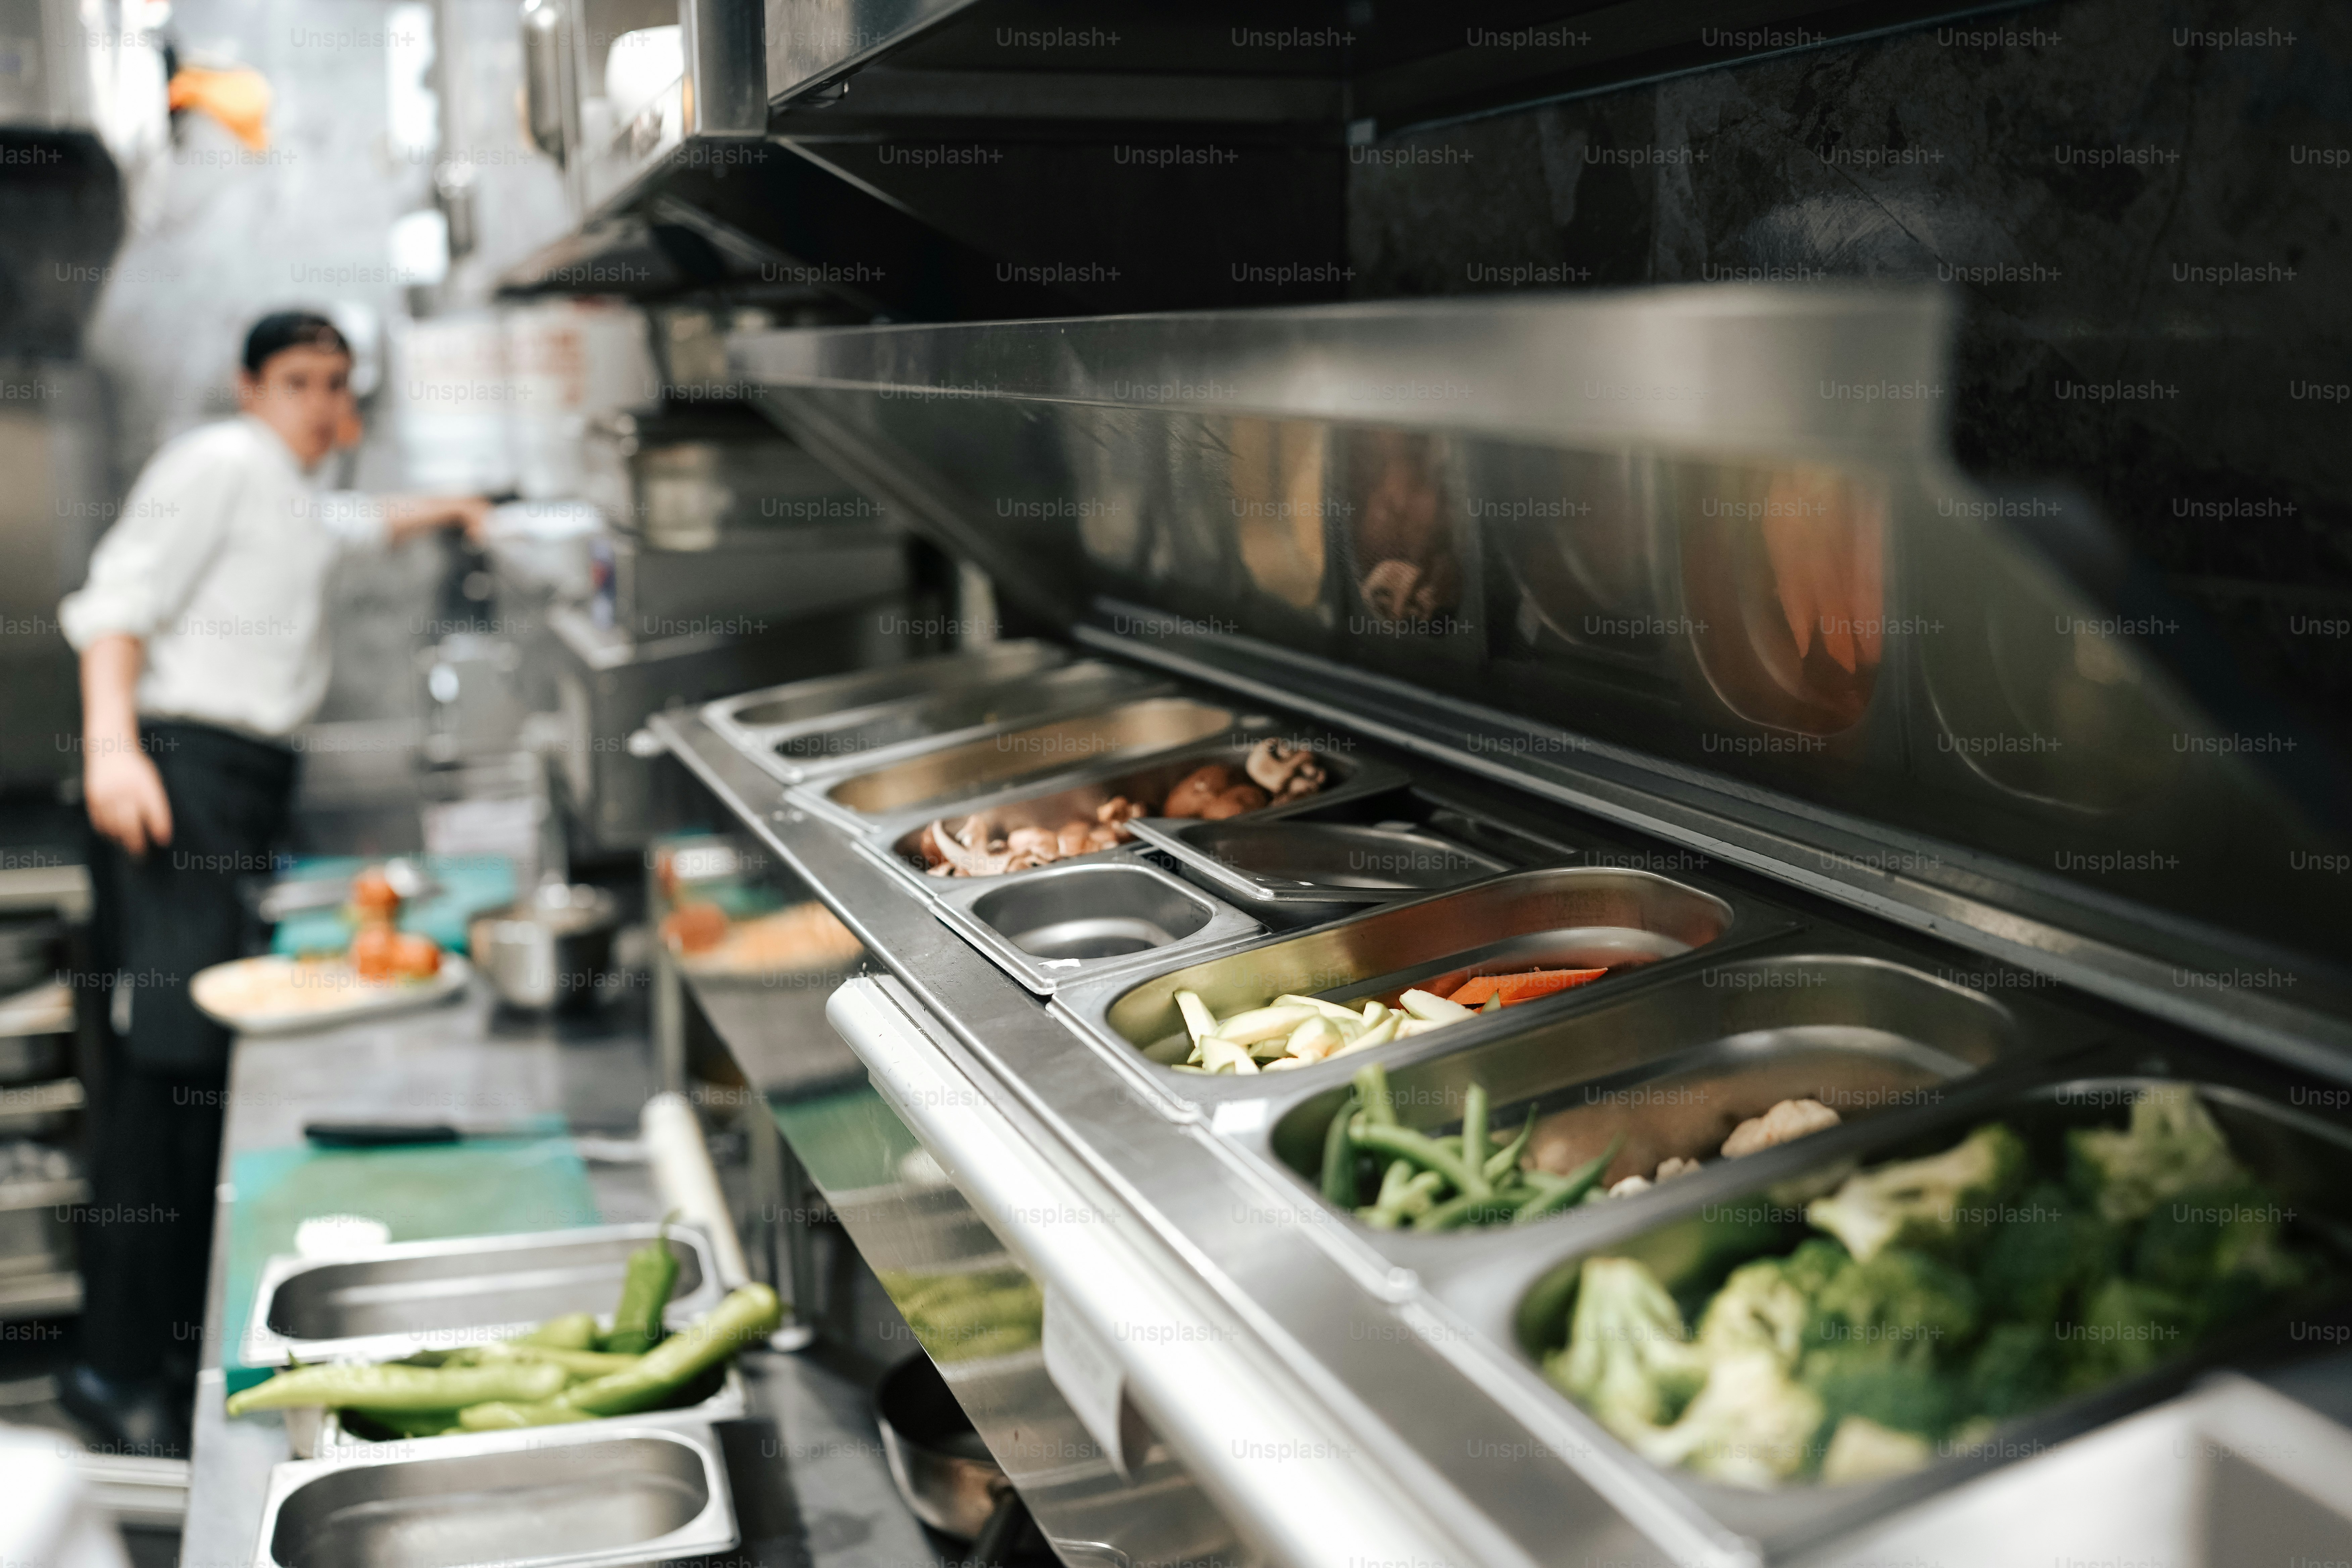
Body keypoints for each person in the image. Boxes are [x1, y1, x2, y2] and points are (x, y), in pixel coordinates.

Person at [55, 311, 490, 1454]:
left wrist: (453, 508)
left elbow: (358, 525)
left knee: (200, 1073)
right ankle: (111, 1378)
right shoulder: (219, 461)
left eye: (336, 384)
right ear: (251, 387)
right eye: (297, 380)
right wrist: (111, 748)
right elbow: (114, 604)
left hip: (239, 790)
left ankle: (174, 1351)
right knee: (166, 1073)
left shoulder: (296, 491)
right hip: (174, 779)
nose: (318, 403)